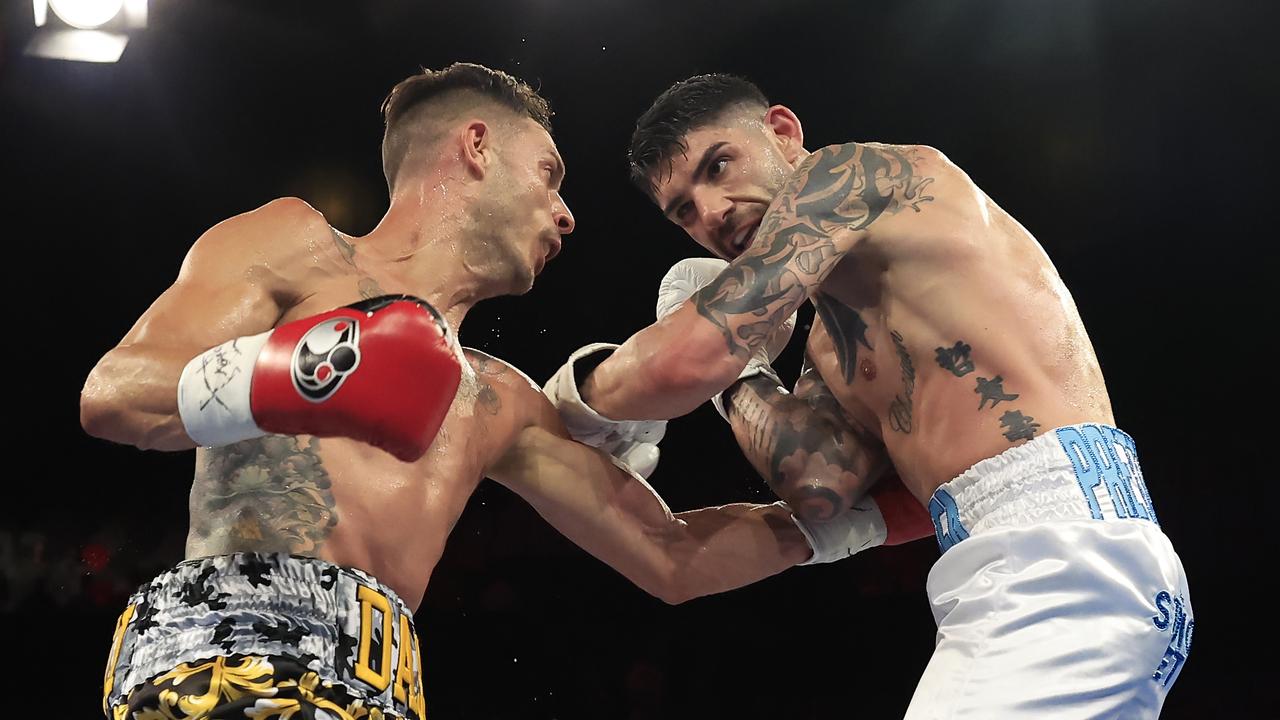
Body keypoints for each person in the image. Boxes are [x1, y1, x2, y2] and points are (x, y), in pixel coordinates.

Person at [79, 64, 869, 720]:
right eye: (550, 173)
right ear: (478, 146)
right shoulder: (299, 246)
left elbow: (670, 559)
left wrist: (876, 520)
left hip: (380, 689)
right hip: (225, 654)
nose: (565, 214)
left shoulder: (497, 398)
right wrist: (308, 369)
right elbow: (114, 395)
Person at [547, 74, 1193, 718]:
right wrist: (740, 375)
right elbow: (820, 486)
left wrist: (576, 402)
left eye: (719, 166)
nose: (711, 211)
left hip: (1063, 554)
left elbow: (693, 354)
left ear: (782, 131)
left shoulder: (855, 175)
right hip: (1004, 573)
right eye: (683, 210)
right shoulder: (830, 346)